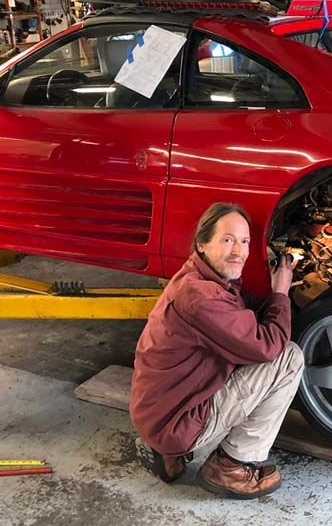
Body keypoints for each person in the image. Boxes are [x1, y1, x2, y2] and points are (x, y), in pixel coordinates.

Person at [130, 202, 304, 499]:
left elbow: (239, 318)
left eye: (245, 241)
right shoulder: (202, 298)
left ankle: (167, 452)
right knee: (289, 357)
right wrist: (281, 293)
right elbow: (265, 346)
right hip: (175, 421)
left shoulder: (196, 277)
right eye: (227, 240)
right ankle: (230, 467)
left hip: (156, 411)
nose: (239, 251)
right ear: (201, 243)